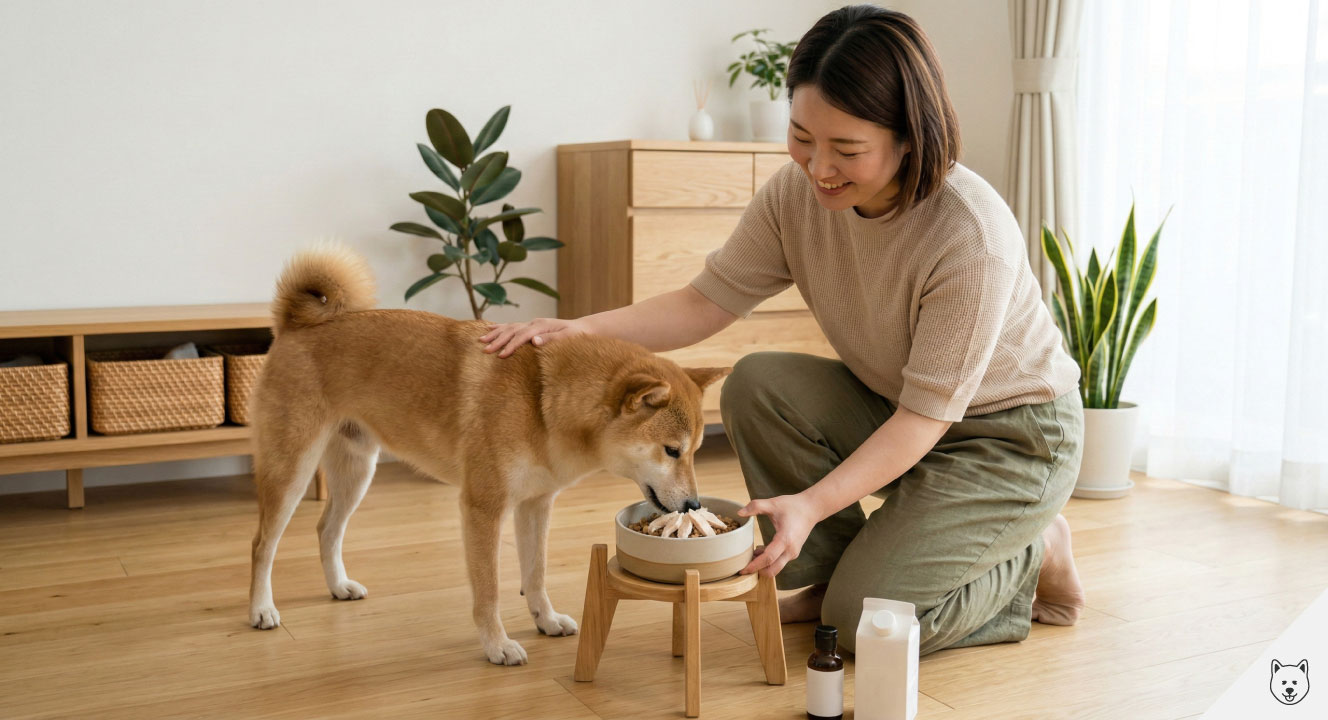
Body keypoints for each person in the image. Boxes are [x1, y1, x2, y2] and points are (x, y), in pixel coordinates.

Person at [477, 4, 1086, 656]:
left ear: (910, 137)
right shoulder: (797, 196)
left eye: (847, 150)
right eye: (801, 136)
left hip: (1010, 438)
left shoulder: (970, 236)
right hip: (900, 409)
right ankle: (840, 571)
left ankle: (1030, 555)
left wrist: (813, 501)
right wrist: (580, 329)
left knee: (861, 628)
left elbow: (924, 420)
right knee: (758, 382)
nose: (818, 167)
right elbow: (703, 302)